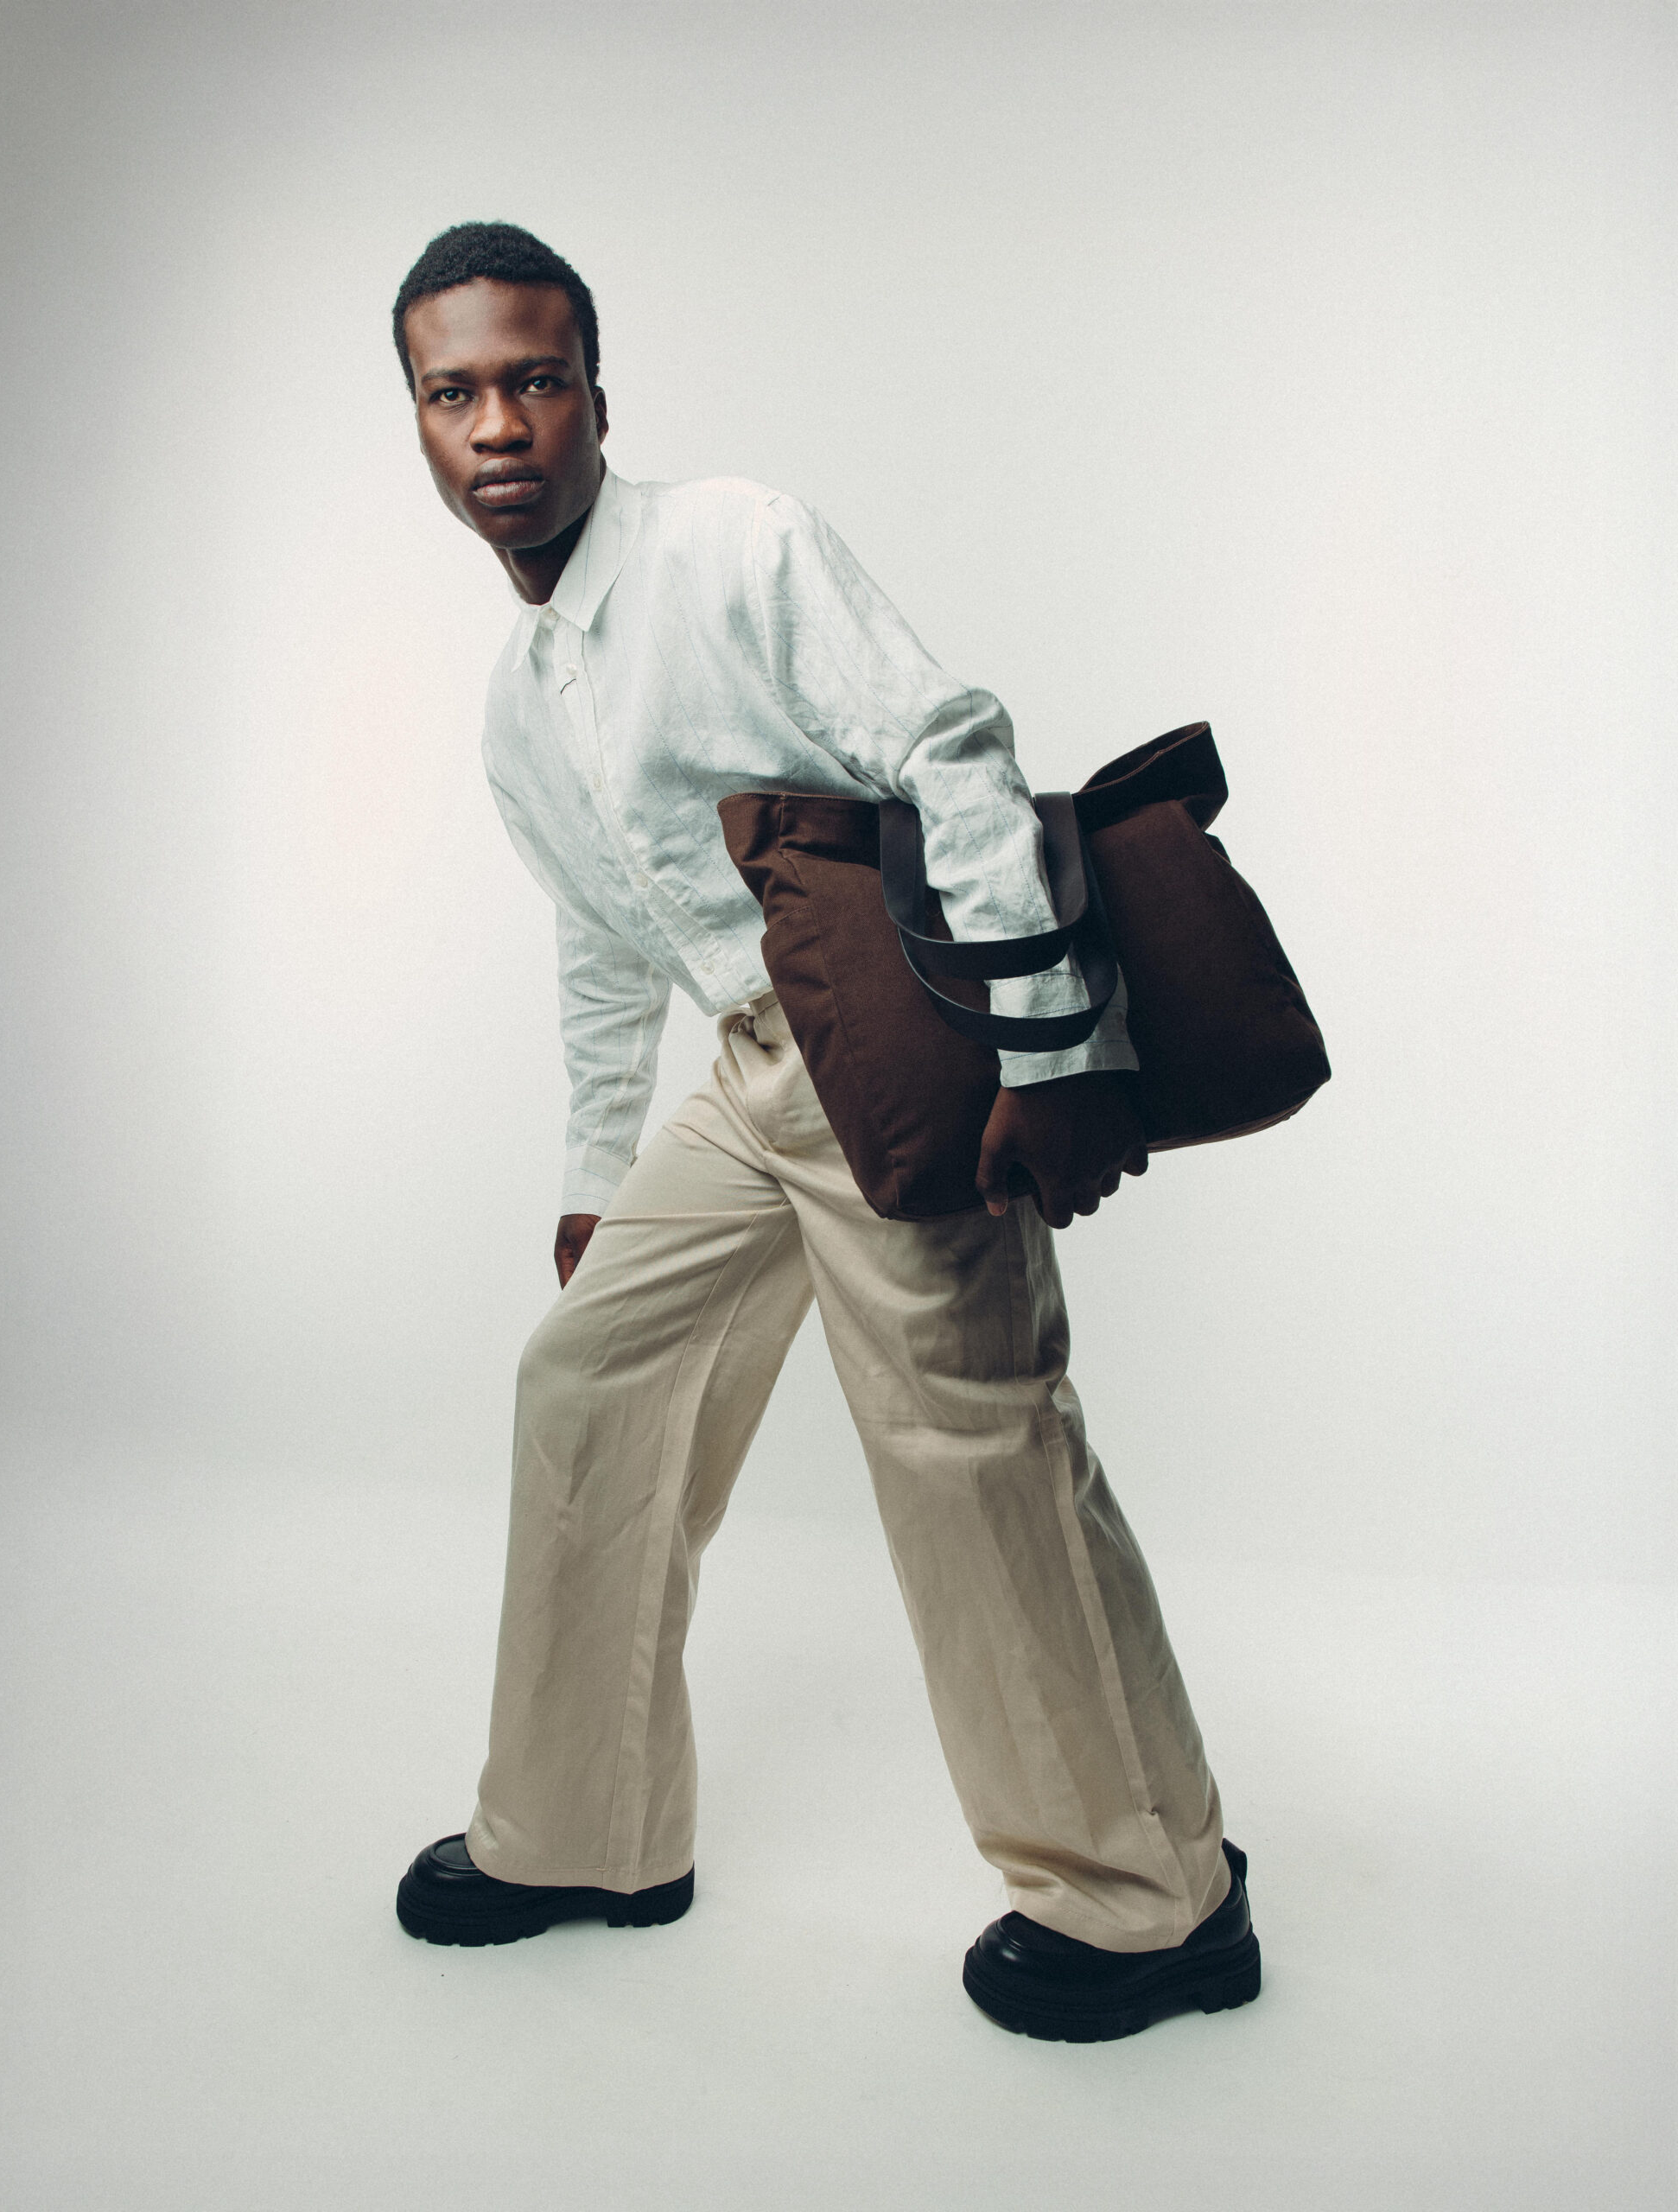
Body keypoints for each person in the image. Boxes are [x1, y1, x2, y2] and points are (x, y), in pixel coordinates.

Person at [389, 222, 1260, 2042]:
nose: (500, 426)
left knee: (976, 1448)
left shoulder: (733, 544)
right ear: (420, 425)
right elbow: (601, 940)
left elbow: (950, 746)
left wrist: (1048, 1045)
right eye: (455, 393)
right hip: (746, 1070)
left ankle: (1152, 1903)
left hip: (905, 1047)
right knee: (586, 1381)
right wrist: (594, 1177)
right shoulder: (518, 704)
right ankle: (588, 1833)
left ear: (596, 394)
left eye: (534, 379)